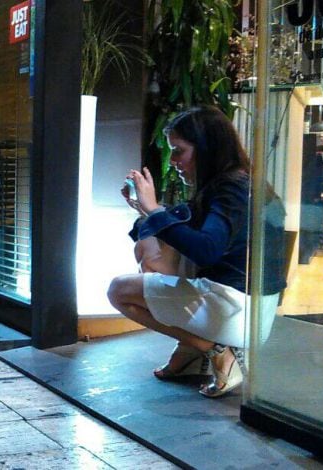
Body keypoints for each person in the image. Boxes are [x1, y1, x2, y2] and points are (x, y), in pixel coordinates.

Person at [107, 105, 285, 398]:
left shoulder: (230, 189)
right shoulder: (239, 182)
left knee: (118, 290)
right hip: (252, 308)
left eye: (179, 151)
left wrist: (152, 210)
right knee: (151, 248)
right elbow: (183, 228)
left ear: (205, 148)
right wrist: (145, 210)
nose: (174, 161)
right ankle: (190, 349)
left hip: (236, 308)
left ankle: (216, 350)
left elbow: (207, 251)